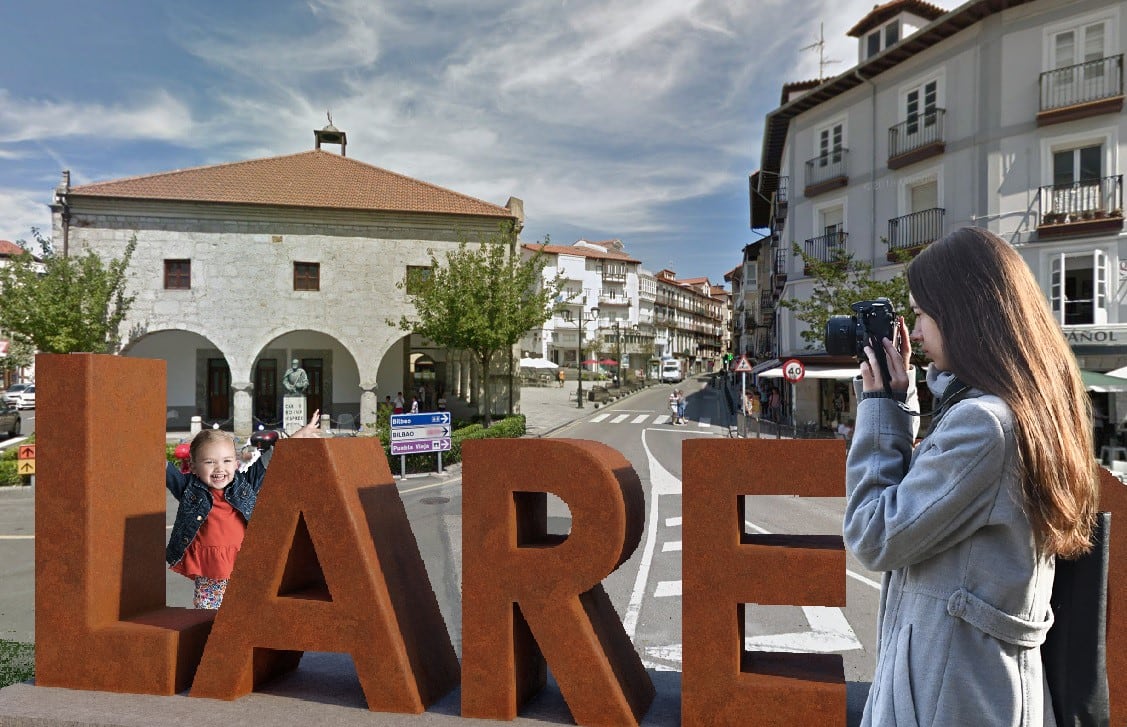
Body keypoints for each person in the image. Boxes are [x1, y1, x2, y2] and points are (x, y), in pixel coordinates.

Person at [843, 227, 1099, 726]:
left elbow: (875, 535)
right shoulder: (1025, 407)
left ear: (962, 313)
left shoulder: (985, 425)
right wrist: (902, 399)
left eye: (920, 314)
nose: (914, 334)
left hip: (953, 697)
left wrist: (878, 409)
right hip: (979, 685)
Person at [165, 411, 322, 609]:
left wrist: (301, 434)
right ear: (194, 467)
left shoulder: (245, 483)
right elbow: (165, 470)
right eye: (209, 462)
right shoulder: (189, 488)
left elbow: (273, 457)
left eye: (227, 461)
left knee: (245, 613)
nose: (219, 468)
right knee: (208, 617)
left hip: (245, 565)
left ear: (237, 463)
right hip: (210, 570)